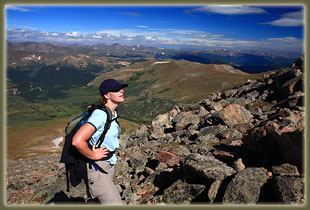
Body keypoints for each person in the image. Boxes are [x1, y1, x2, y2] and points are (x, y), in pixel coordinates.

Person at [72, 79, 128, 204]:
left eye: (121, 88)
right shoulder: (100, 115)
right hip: (98, 168)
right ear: (107, 95)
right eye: (117, 89)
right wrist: (93, 155)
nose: (122, 91)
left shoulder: (112, 113)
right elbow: (77, 140)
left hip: (108, 164)